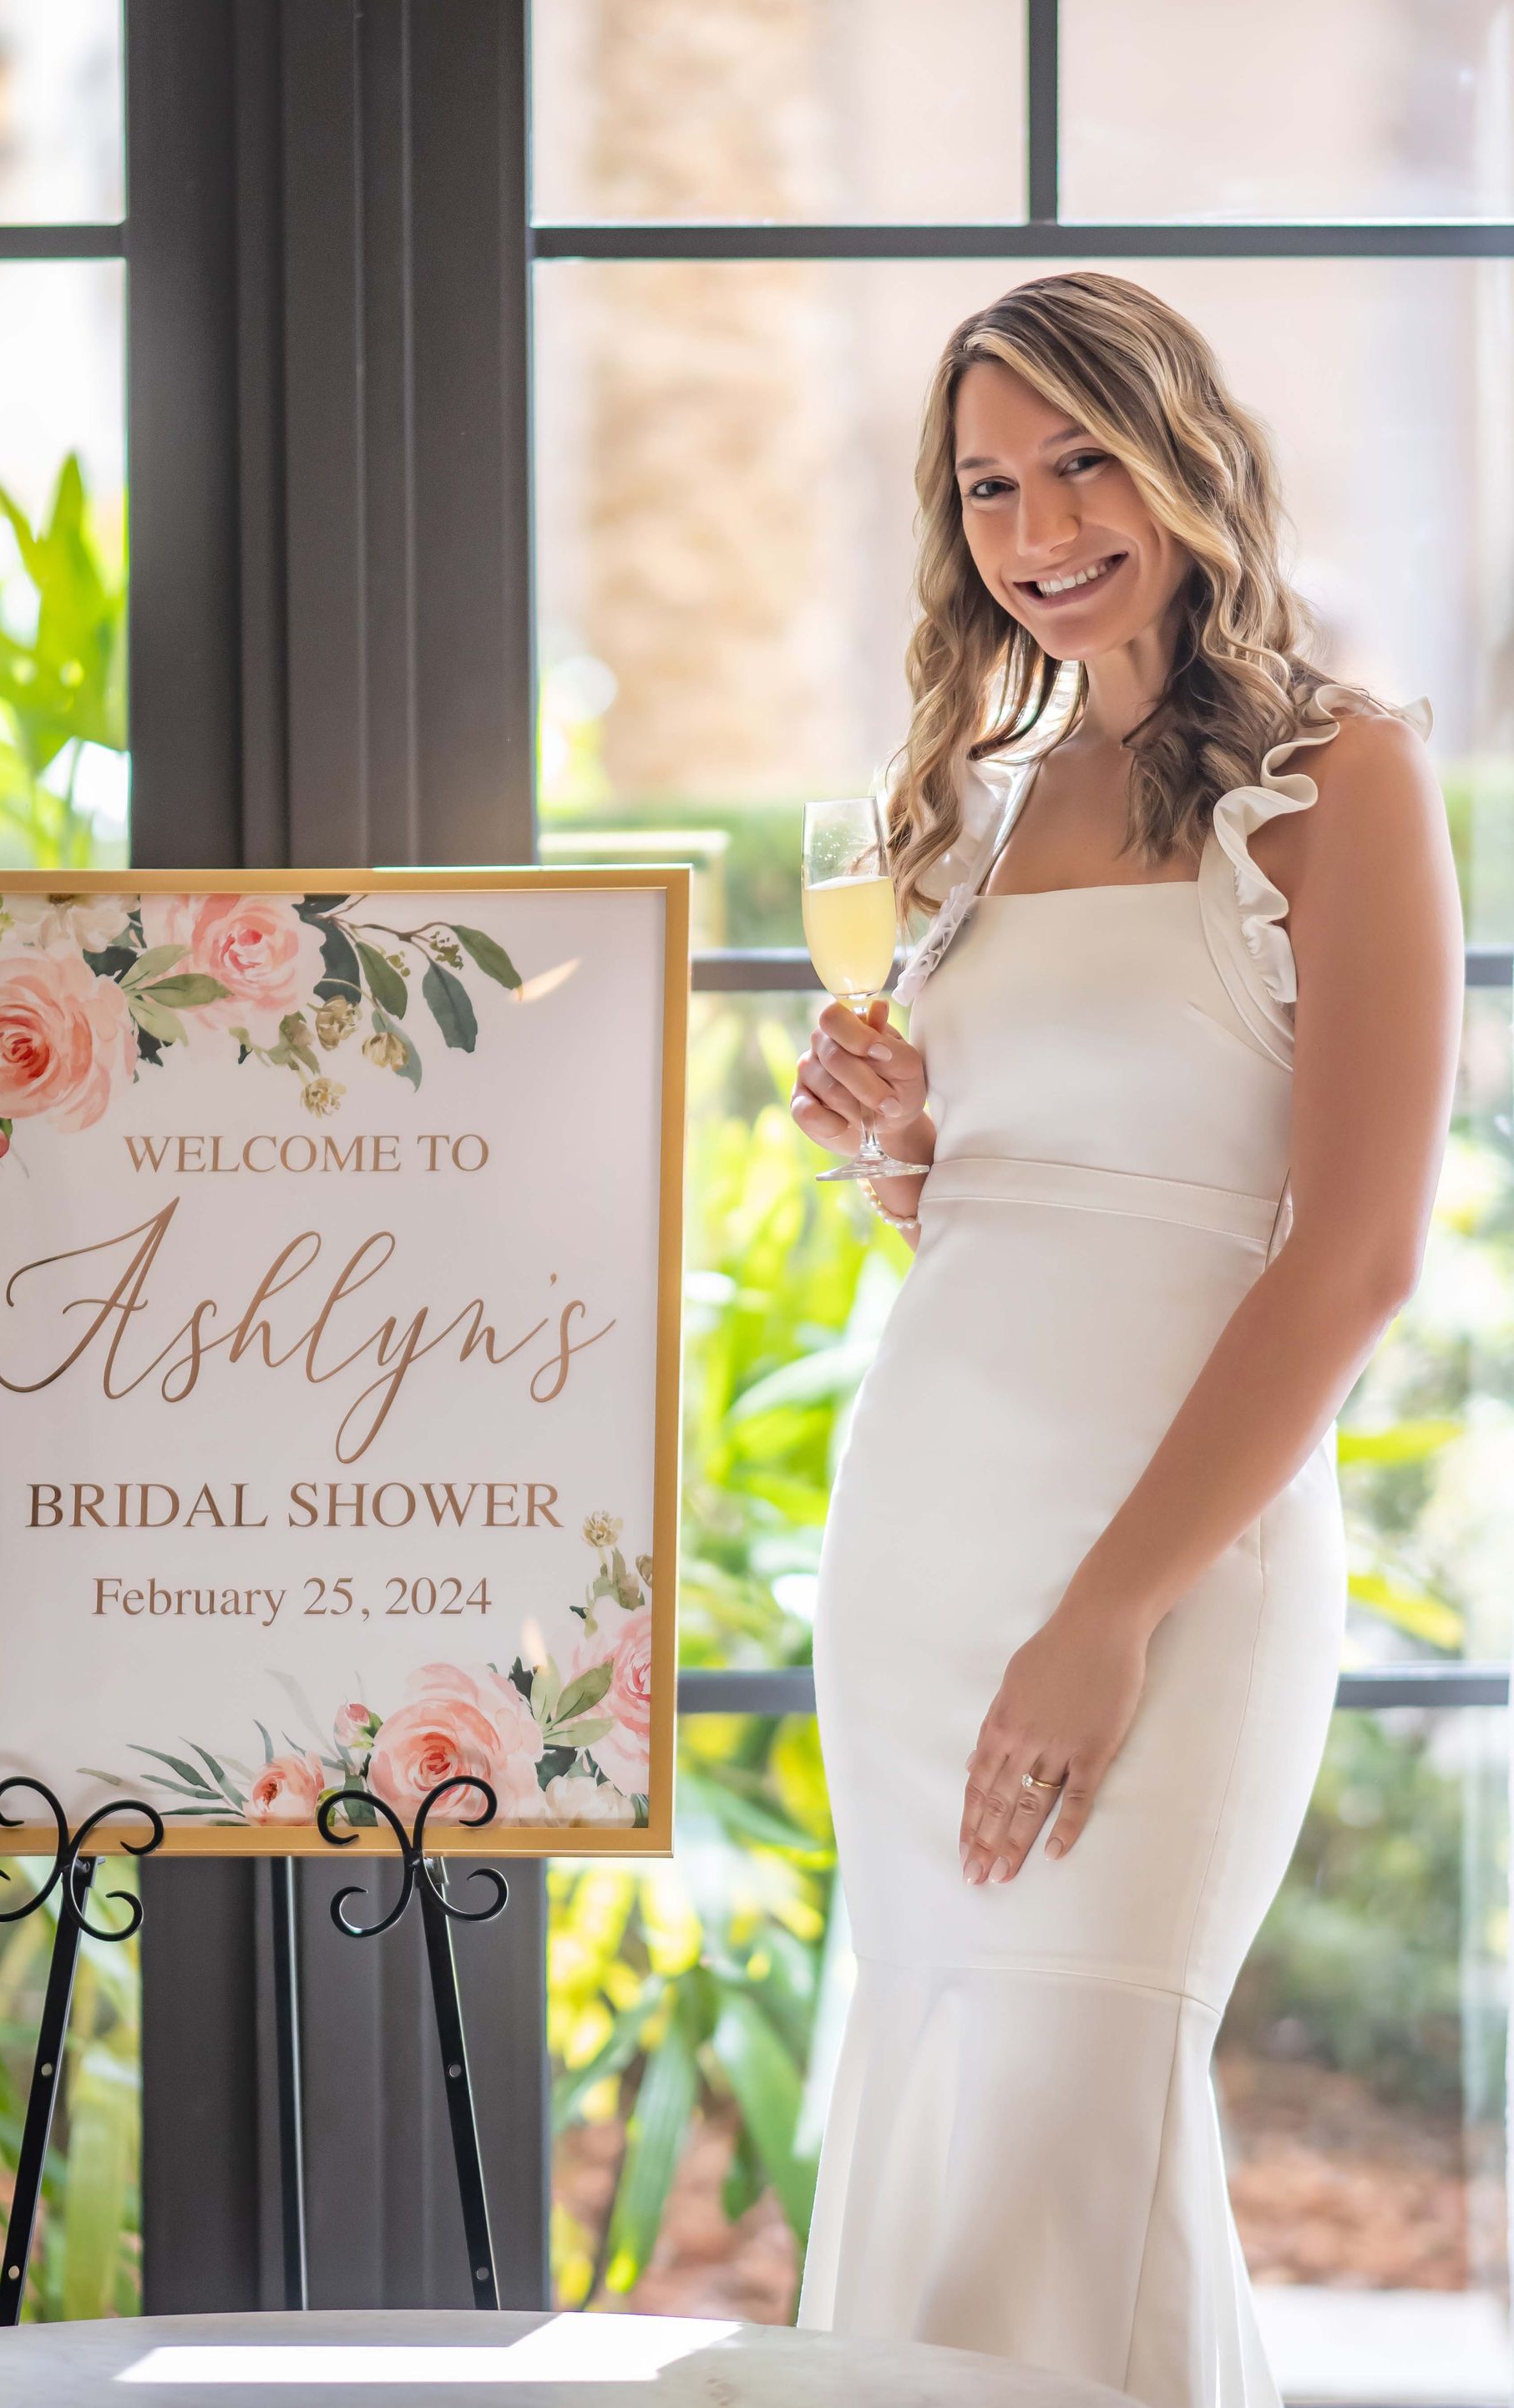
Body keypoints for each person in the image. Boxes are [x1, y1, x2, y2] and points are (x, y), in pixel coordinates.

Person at [787, 271, 1463, 2408]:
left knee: (1081, 2087)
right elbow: (996, 1233)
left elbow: (1352, 1257)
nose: (1038, 518)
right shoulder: (967, 815)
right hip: (919, 1551)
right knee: (949, 2088)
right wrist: (900, 1149)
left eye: (1082, 453)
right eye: (989, 482)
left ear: (1184, 455)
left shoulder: (1344, 779)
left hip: (1169, 1562)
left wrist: (1107, 1613)